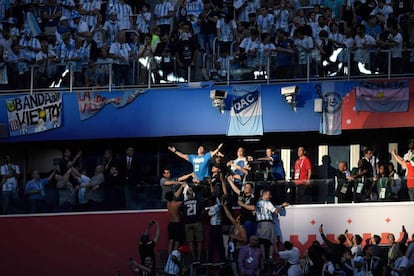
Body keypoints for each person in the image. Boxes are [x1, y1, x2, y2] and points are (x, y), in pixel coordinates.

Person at [255, 189, 289, 264]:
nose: (270, 196)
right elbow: (276, 211)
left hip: (259, 224)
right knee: (272, 240)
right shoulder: (267, 203)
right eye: (269, 195)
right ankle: (270, 257)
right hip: (267, 223)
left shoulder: (257, 203)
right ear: (265, 194)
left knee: (262, 242)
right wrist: (282, 206)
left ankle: (264, 259)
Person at [227, 176, 257, 241]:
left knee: (248, 237)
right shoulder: (242, 194)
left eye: (247, 187)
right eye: (245, 187)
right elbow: (236, 190)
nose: (245, 188)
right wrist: (230, 182)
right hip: (243, 219)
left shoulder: (252, 197)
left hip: (249, 219)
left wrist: (242, 204)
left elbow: (253, 207)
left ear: (251, 189)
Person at [181, 185, 203, 264]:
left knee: (190, 242)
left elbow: (182, 213)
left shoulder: (184, 203)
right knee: (199, 241)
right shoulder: (198, 201)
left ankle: (193, 259)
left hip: (188, 223)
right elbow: (202, 211)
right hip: (197, 222)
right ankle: (199, 259)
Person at [165, 183, 186, 253]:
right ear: (172, 197)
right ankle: (174, 256)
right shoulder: (178, 204)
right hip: (177, 224)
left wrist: (181, 187)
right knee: (177, 241)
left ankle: (169, 257)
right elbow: (185, 201)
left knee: (171, 241)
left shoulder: (168, 203)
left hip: (170, 224)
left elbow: (175, 195)